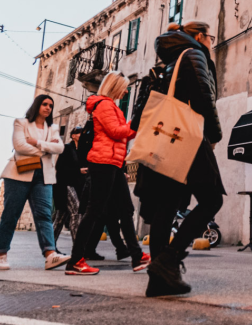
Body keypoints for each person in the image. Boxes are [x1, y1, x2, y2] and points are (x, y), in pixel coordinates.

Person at [136, 21, 224, 297]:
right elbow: (203, 98)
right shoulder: (195, 53)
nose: (211, 42)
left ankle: (159, 282)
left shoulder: (167, 61)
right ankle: (169, 260)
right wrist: (214, 134)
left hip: (165, 138)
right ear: (200, 36)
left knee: (166, 206)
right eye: (210, 37)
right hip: (187, 135)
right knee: (212, 199)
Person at [69, 73, 147, 274]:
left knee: (126, 209)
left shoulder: (111, 106)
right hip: (103, 163)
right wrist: (135, 123)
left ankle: (136, 256)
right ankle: (76, 260)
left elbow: (123, 133)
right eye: (124, 87)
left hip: (113, 163)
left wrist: (135, 126)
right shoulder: (104, 105)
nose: (126, 91)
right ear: (115, 86)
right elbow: (115, 131)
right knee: (94, 210)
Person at [0, 94, 69, 272]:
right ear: (37, 105)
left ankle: (50, 255)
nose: (48, 107)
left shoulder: (54, 128)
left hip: (44, 176)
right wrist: (46, 147)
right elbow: (19, 145)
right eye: (44, 104)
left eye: (50, 105)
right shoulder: (21, 123)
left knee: (44, 215)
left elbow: (60, 148)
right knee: (11, 215)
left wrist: (36, 143)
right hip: (19, 174)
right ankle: (1, 255)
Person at [52, 126, 84, 248]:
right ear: (73, 135)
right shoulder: (67, 148)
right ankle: (78, 248)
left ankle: (50, 246)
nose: (82, 135)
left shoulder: (82, 151)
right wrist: (78, 170)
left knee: (60, 217)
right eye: (80, 133)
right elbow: (59, 168)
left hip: (76, 187)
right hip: (64, 186)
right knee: (76, 212)